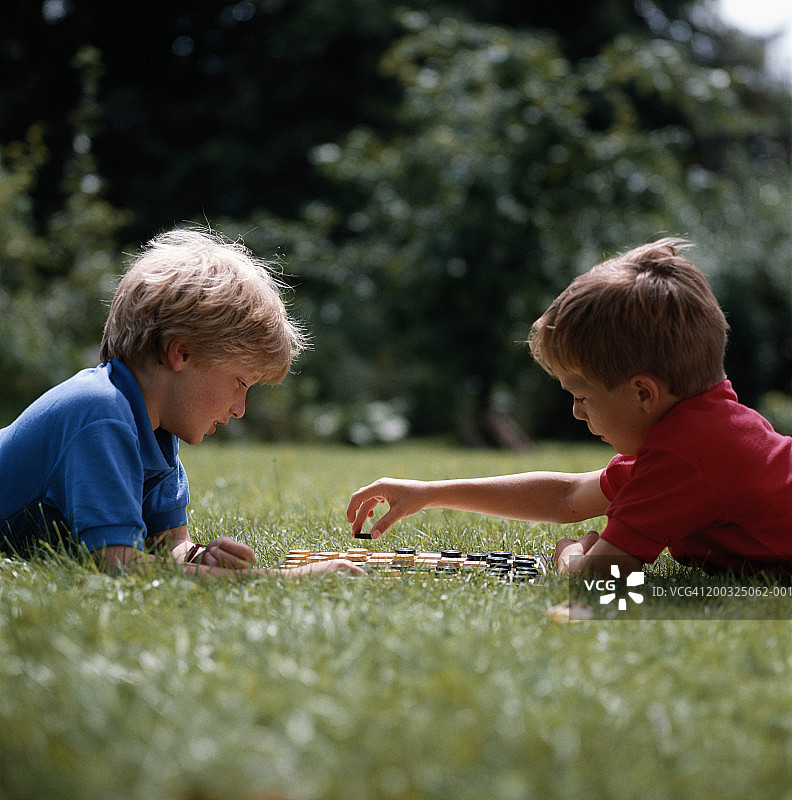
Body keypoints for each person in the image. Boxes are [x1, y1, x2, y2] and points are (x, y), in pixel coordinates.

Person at [347, 238, 792, 577]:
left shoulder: (685, 456)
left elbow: (602, 576)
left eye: (582, 397)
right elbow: (569, 495)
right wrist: (430, 493)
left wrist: (572, 554)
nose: (577, 414)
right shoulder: (705, 431)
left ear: (643, 394)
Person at [0, 227, 365, 578]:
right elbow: (120, 565)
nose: (240, 409)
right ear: (182, 353)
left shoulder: (157, 429)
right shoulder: (101, 414)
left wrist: (198, 557)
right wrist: (285, 579)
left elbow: (166, 547)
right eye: (240, 383)